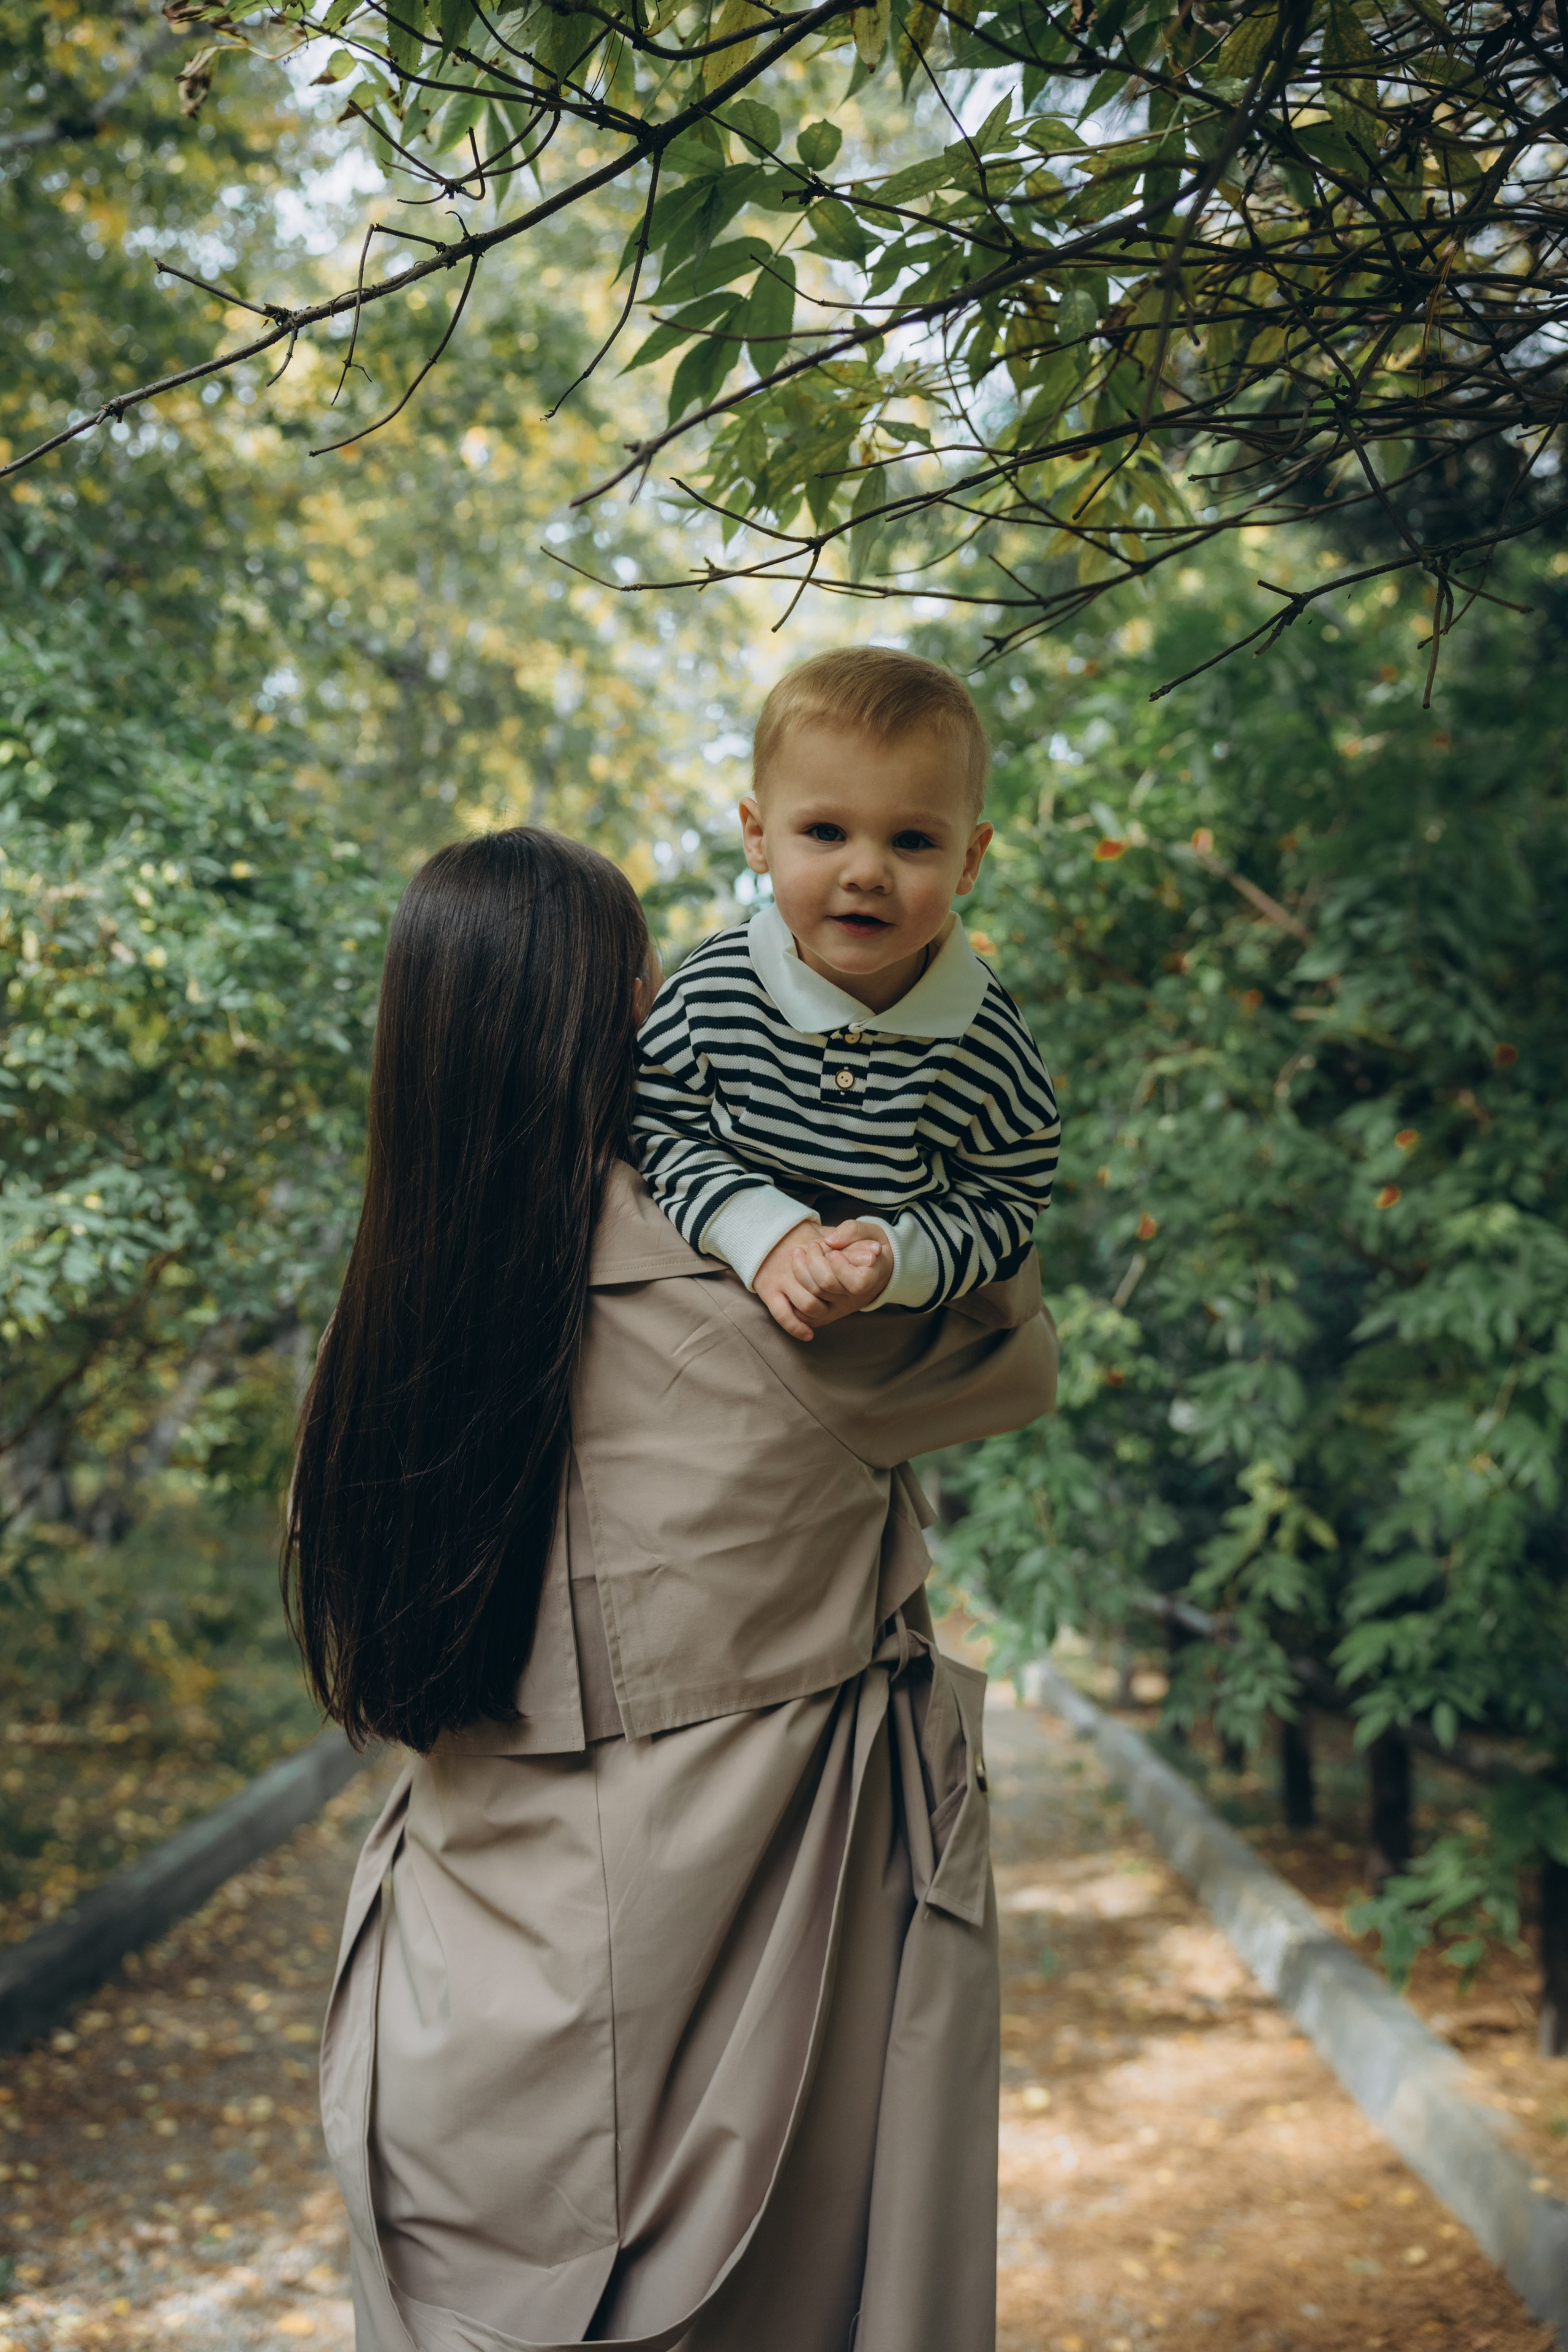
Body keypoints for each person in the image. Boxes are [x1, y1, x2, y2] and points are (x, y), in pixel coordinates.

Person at [288, 827, 1057, 2352]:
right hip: (728, 2040)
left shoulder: (380, 1335)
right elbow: (1008, 1337)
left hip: (448, 2029)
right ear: (629, 1011)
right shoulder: (777, 1319)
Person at [635, 647, 1060, 1343]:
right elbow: (652, 1126)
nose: (866, 871)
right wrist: (761, 1233)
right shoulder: (716, 992)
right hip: (713, 1296)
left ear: (969, 860)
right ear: (757, 836)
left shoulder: (984, 1041)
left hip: (886, 1332)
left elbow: (1007, 1196)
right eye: (826, 832)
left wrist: (896, 1261)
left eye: (913, 840)